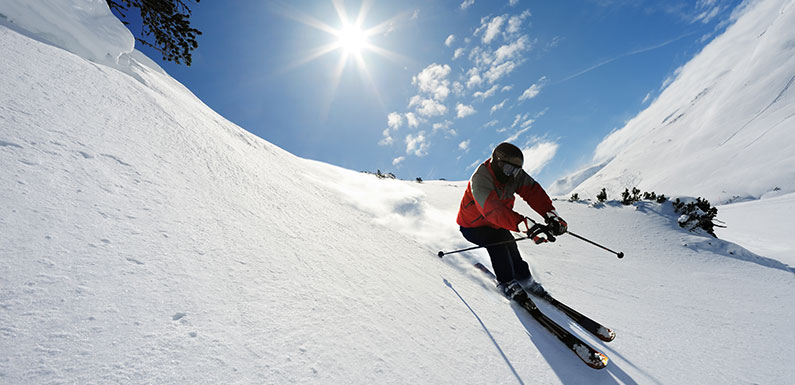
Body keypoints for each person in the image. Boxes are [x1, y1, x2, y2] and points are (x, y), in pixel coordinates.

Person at [456, 142, 568, 299]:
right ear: (497, 162)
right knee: (498, 242)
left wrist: (551, 215)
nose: (511, 174)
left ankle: (525, 279)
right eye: (508, 169)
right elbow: (492, 210)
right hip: (472, 226)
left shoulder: (514, 175)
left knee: (510, 243)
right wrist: (526, 226)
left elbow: (533, 192)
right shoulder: (480, 178)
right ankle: (506, 282)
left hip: (497, 223)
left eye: (516, 170)